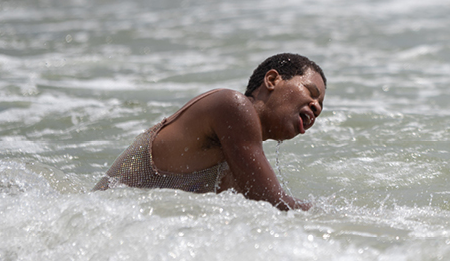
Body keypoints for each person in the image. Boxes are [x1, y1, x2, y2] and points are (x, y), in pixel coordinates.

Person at [94, 53, 326, 211]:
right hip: (99, 225)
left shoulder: (235, 166)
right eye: (310, 92)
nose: (316, 107)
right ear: (273, 79)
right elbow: (272, 202)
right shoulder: (231, 106)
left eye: (320, 106)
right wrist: (336, 217)